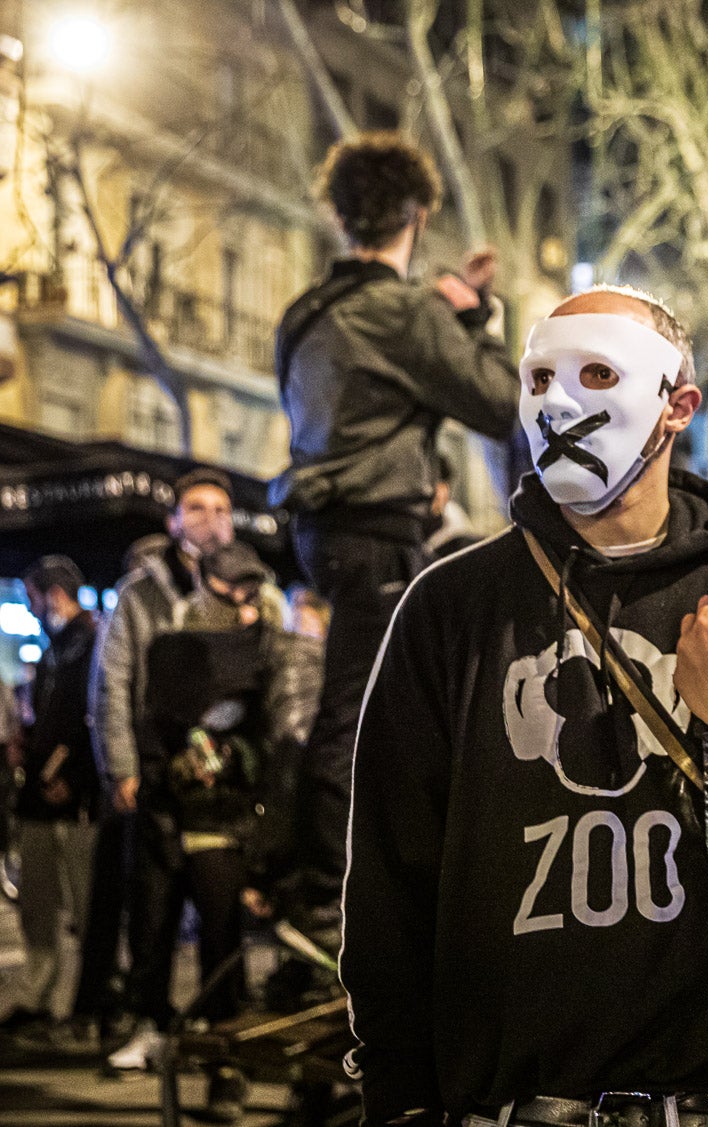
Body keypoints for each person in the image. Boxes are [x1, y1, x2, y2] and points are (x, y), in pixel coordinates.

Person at [340, 286, 708, 1127]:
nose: (558, 402)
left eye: (598, 372)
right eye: (537, 380)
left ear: (677, 405)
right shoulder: (451, 610)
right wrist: (399, 1103)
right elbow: (389, 882)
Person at [271, 132, 520, 928]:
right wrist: (474, 318)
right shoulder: (403, 311)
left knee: (375, 696)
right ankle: (331, 887)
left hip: (320, 526)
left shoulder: (306, 312)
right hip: (379, 527)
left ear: (341, 215)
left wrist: (444, 309)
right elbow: (500, 401)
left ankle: (339, 869)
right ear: (415, 213)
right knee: (362, 707)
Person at [93, 467, 274, 1070]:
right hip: (155, 768)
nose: (210, 518)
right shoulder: (142, 593)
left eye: (221, 508)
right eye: (195, 508)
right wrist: (121, 764)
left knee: (222, 917)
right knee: (152, 907)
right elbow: (113, 682)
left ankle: (222, 1043)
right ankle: (152, 1022)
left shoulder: (259, 593)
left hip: (226, 786)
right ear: (173, 521)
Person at [0, 557, 100, 1041]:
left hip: (75, 800)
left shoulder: (90, 641)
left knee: (85, 906)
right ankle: (42, 998)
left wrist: (75, 777)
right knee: (38, 907)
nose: (31, 607)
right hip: (42, 798)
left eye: (32, 596)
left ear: (53, 593)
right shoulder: (57, 646)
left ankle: (90, 1003)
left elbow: (93, 717)